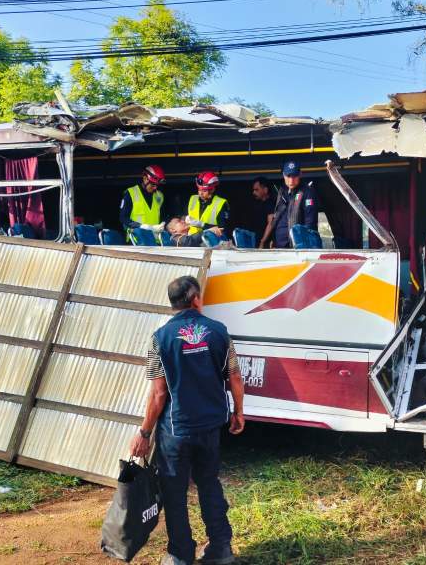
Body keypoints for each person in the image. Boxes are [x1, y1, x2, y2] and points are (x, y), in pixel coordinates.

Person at [130, 275, 245, 565]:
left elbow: (158, 394)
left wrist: (144, 433)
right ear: (195, 299)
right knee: (209, 483)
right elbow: (234, 377)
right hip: (210, 426)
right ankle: (221, 549)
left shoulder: (159, 338)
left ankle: (181, 555)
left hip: (176, 430)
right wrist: (238, 412)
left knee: (174, 492)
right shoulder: (219, 332)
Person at [260, 161, 318, 248]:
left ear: (300, 174)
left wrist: (303, 245)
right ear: (283, 175)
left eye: (295, 176)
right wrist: (273, 239)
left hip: (296, 247)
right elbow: (277, 217)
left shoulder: (306, 192)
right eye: (288, 176)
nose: (291, 180)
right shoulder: (282, 191)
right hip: (279, 246)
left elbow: (310, 222)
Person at [120, 165, 167, 244]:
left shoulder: (159, 196)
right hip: (136, 240)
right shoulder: (131, 193)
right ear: (145, 178)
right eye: (152, 184)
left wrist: (164, 223)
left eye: (157, 185)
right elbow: (123, 218)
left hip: (155, 240)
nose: (155, 188)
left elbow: (163, 215)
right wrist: (143, 226)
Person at [186, 171, 229, 238]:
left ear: (212, 190)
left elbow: (222, 229)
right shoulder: (193, 199)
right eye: (199, 190)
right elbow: (184, 217)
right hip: (191, 241)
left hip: (210, 242)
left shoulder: (221, 203)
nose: (200, 193)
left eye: (204, 191)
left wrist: (201, 224)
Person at [250, 176, 275, 247]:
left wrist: (263, 241)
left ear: (265, 190)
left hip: (266, 245)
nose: (253, 192)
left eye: (256, 190)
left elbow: (271, 223)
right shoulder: (259, 204)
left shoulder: (270, 204)